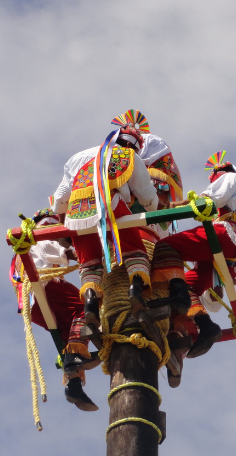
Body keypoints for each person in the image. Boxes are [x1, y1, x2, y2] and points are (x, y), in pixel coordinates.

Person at [51, 111, 162, 346]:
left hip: (76, 214)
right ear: (135, 146)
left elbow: (60, 197)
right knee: (135, 250)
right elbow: (148, 197)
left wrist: (63, 224)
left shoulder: (79, 157)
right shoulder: (129, 156)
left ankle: (91, 306)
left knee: (90, 264)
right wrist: (153, 210)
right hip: (111, 207)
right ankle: (135, 293)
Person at [151, 151, 236, 357]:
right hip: (232, 259)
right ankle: (206, 326)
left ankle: (178, 300)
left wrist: (172, 208)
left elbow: (208, 201)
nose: (215, 180)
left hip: (227, 237)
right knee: (187, 285)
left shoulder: (232, 178)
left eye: (215, 177)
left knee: (165, 247)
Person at [10, 208, 100, 411]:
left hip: (31, 304)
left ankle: (73, 385)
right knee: (85, 304)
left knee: (69, 334)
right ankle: (76, 355)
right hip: (44, 287)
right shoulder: (39, 236)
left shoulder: (26, 247)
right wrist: (97, 254)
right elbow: (66, 253)